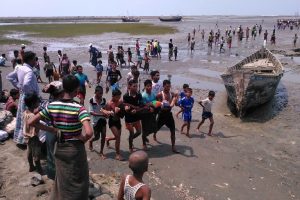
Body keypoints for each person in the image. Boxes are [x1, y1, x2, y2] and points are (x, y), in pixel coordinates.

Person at [29, 75, 93, 200]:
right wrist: (83, 139)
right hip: (75, 149)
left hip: (60, 147)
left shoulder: (51, 106)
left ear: (63, 88)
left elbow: (31, 121)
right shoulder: (79, 108)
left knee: (63, 178)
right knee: (78, 178)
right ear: (76, 90)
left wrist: (52, 129)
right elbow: (89, 132)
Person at [6, 51, 40, 146]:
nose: (35, 62)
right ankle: (27, 140)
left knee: (22, 117)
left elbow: (10, 77)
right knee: (30, 118)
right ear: (29, 60)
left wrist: (19, 87)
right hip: (30, 98)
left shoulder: (20, 68)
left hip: (23, 96)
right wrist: (30, 93)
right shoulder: (29, 71)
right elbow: (26, 84)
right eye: (34, 60)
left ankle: (20, 139)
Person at [40, 81, 64, 180]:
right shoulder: (61, 104)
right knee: (60, 154)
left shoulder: (47, 103)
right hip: (59, 131)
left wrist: (49, 126)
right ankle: (59, 175)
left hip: (50, 131)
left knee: (50, 153)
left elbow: (39, 117)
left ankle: (52, 174)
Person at [155, 80, 179, 153]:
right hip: (162, 114)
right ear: (163, 86)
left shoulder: (172, 94)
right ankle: (154, 134)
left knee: (173, 130)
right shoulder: (159, 94)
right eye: (167, 86)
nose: (168, 88)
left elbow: (176, 104)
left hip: (169, 115)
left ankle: (173, 146)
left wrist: (176, 100)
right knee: (156, 128)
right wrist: (168, 104)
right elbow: (158, 106)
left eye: (169, 86)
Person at [23, 93, 43, 173]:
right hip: (34, 136)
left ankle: (31, 166)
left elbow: (32, 113)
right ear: (33, 104)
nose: (38, 103)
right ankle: (39, 169)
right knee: (37, 154)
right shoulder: (33, 116)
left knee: (29, 151)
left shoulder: (26, 112)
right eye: (37, 102)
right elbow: (39, 125)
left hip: (27, 135)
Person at [104, 89, 125, 161]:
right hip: (112, 122)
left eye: (120, 96)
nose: (119, 98)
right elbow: (105, 115)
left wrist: (124, 109)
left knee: (117, 137)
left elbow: (123, 110)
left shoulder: (120, 102)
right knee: (118, 137)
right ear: (113, 96)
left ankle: (108, 139)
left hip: (118, 121)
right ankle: (117, 154)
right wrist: (112, 112)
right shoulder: (109, 104)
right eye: (118, 97)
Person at [123, 80, 143, 153]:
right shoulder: (126, 96)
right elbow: (124, 106)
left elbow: (141, 105)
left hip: (137, 117)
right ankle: (130, 147)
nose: (136, 88)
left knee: (139, 132)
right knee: (131, 133)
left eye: (136, 86)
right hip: (129, 118)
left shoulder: (139, 95)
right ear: (129, 86)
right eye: (134, 86)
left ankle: (130, 139)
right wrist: (127, 110)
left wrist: (136, 111)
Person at [88, 86, 107, 159]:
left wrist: (107, 113)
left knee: (103, 135)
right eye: (100, 93)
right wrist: (102, 114)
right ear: (95, 92)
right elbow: (91, 113)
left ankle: (101, 152)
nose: (101, 95)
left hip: (102, 120)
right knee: (97, 137)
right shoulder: (91, 100)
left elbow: (105, 109)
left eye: (102, 93)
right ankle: (91, 141)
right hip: (95, 121)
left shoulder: (104, 100)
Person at [141, 79, 157, 149]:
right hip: (144, 114)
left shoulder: (153, 94)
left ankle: (145, 137)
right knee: (144, 129)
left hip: (152, 113)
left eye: (150, 86)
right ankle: (144, 144)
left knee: (153, 128)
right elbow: (142, 105)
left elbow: (155, 102)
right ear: (145, 87)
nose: (149, 87)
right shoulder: (143, 95)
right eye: (148, 86)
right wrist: (149, 106)